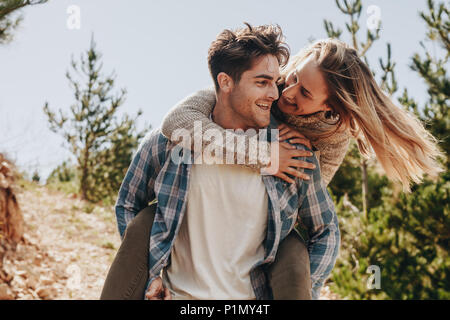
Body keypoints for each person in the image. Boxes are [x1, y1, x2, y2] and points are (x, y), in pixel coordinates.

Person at [102, 23, 339, 300]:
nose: (275, 95)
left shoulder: (291, 153)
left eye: (275, 83)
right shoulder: (173, 142)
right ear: (226, 82)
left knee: (294, 246)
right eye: (262, 82)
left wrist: (308, 288)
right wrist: (151, 275)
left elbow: (326, 230)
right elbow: (128, 202)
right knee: (145, 219)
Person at [161, 38, 444, 190]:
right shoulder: (267, 86)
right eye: (293, 77)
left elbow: (309, 198)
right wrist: (266, 154)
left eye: (305, 93)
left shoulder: (332, 136)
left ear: (329, 108)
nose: (287, 92)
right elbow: (178, 123)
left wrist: (306, 155)